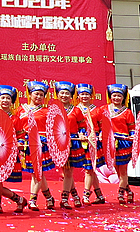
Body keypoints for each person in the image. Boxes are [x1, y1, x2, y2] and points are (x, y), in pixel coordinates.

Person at [0, 85, 28, 214]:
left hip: (8, 152)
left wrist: (20, 143)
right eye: (2, 98)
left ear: (12, 101)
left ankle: (0, 203)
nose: (5, 100)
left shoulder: (16, 119)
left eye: (8, 98)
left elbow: (21, 135)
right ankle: (17, 200)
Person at [17, 81, 56, 211]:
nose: (38, 97)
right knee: (37, 172)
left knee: (37, 172)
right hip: (27, 144)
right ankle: (49, 197)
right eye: (36, 94)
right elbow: (18, 127)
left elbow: (52, 129)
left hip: (41, 144)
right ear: (30, 94)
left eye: (41, 95)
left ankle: (32, 200)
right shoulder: (21, 109)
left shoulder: (47, 111)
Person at [72, 83, 107, 204]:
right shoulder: (75, 110)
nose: (84, 96)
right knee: (90, 170)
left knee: (89, 169)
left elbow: (103, 125)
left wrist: (102, 133)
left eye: (87, 94)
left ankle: (86, 195)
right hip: (78, 142)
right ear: (78, 95)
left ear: (91, 95)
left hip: (93, 142)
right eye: (82, 94)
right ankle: (99, 195)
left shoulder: (97, 110)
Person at [54, 81, 84, 209]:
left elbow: (82, 126)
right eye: (62, 93)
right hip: (60, 143)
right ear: (57, 94)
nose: (64, 95)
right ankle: (75, 196)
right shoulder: (53, 110)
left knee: (68, 172)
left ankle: (64, 198)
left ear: (71, 96)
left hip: (73, 142)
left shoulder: (76, 110)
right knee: (66, 172)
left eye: (67, 93)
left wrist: (82, 134)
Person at [106, 84, 137, 204]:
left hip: (124, 143)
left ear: (123, 98)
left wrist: (133, 135)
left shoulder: (127, 112)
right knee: (117, 169)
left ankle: (120, 193)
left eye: (119, 96)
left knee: (123, 170)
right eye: (114, 96)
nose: (116, 98)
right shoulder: (105, 109)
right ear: (110, 96)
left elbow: (132, 127)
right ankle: (128, 191)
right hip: (111, 143)